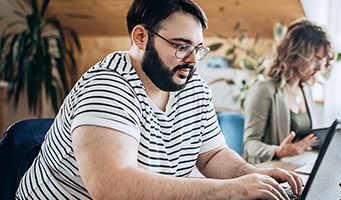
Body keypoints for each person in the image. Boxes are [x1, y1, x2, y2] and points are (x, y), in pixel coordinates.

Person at [15, 0, 303, 199]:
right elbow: (112, 188)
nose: (192, 60)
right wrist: (232, 191)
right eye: (181, 47)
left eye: (198, 49)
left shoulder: (192, 85)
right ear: (141, 37)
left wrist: (256, 178)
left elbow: (213, 155)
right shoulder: (108, 86)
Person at [243, 20, 335, 164]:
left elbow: (307, 141)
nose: (319, 68)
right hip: (271, 170)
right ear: (297, 54)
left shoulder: (306, 90)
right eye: (316, 59)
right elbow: (250, 144)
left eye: (322, 61)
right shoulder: (264, 89)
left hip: (299, 165)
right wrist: (278, 151)